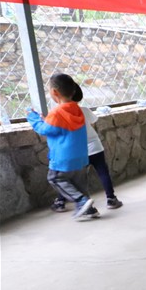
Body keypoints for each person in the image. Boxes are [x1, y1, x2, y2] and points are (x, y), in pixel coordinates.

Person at [27, 73, 100, 221]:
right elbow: (60, 127)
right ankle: (89, 209)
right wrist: (47, 120)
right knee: (80, 184)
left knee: (55, 178)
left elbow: (44, 130)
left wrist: (33, 118)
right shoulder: (77, 109)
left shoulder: (57, 112)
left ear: (54, 92)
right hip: (81, 157)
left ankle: (81, 202)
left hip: (63, 158)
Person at [52, 103, 123, 212]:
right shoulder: (84, 110)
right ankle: (111, 199)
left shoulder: (59, 114)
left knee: (72, 177)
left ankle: (61, 202)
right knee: (103, 173)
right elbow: (93, 120)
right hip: (95, 147)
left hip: (78, 151)